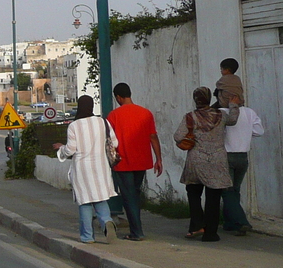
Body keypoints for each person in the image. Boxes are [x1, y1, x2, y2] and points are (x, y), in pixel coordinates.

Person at [53, 95, 119, 244]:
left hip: (82, 169)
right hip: (101, 167)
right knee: (100, 198)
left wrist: (60, 149)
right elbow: (115, 142)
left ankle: (87, 237)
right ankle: (107, 221)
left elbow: (70, 150)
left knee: (85, 202)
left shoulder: (74, 126)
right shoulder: (103, 122)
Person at [176, 86, 238, 242]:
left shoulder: (190, 117)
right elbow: (233, 119)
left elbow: (178, 136)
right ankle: (211, 233)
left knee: (193, 192)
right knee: (213, 197)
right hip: (217, 160)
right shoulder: (221, 115)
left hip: (196, 160)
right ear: (209, 98)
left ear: (195, 99)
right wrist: (234, 104)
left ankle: (197, 224)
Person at [106, 83, 163, 241]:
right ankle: (136, 228)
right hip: (142, 161)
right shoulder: (146, 113)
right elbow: (153, 137)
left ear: (118, 97)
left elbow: (109, 141)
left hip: (122, 163)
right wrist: (158, 159)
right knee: (135, 194)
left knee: (128, 196)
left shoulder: (113, 116)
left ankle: (136, 232)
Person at [221, 91, 263, 236]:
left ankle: (241, 222)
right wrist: (244, 133)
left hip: (227, 155)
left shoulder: (222, 112)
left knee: (227, 191)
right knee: (235, 190)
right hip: (242, 156)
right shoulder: (250, 113)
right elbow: (259, 131)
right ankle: (230, 222)